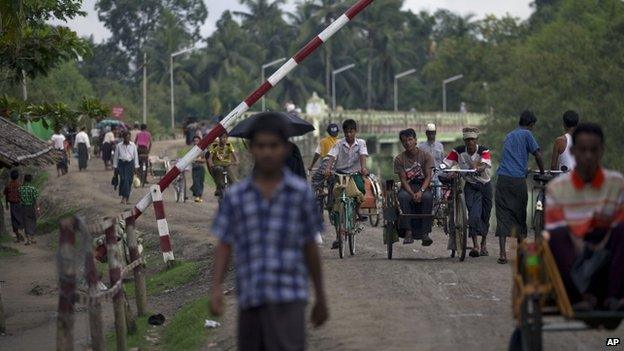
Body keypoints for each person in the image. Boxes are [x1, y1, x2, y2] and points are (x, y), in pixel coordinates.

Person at [209, 114, 328, 350]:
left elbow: (310, 248)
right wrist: (216, 287)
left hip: (290, 298)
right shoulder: (237, 197)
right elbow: (225, 244)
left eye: (273, 146)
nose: (267, 152)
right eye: (261, 146)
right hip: (251, 299)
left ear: (285, 148)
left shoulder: (300, 195)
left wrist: (321, 296)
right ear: (251, 149)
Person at [545, 123, 624, 311]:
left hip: (605, 251)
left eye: (593, 150)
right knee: (555, 235)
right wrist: (581, 243)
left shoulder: (616, 183)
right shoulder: (557, 188)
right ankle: (580, 297)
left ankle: (614, 296)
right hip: (572, 252)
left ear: (601, 151)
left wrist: (600, 243)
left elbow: (618, 223)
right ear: (573, 151)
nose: (588, 156)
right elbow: (556, 229)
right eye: (583, 150)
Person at [495, 110, 545, 264]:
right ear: (530, 124)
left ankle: (502, 254)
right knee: (519, 215)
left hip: (503, 179)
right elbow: (538, 155)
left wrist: (524, 169)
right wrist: (543, 173)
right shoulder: (527, 134)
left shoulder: (509, 135)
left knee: (502, 216)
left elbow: (511, 158)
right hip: (517, 181)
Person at [443, 127, 493, 257]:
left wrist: (480, 168)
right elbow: (446, 163)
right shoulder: (458, 151)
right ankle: (475, 245)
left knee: (485, 215)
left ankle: (483, 243)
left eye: (472, 139)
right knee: (473, 214)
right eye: (467, 140)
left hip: (485, 184)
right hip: (470, 185)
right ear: (464, 141)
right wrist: (443, 169)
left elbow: (485, 163)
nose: (470, 142)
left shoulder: (483, 150)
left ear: (476, 140)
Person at [325, 119, 369, 249]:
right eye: (347, 132)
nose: (349, 134)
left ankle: (357, 210)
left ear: (355, 131)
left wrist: (363, 168)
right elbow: (332, 157)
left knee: (360, 189)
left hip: (355, 174)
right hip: (340, 174)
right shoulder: (338, 144)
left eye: (351, 131)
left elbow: (362, 156)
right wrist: (328, 169)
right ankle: (339, 235)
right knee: (335, 201)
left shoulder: (361, 143)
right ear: (343, 132)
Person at [394, 128, 434, 245]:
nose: (408, 143)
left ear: (416, 140)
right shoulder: (399, 159)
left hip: (423, 185)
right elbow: (403, 180)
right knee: (403, 197)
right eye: (405, 141)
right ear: (402, 143)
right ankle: (408, 231)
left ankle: (425, 233)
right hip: (408, 186)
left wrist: (421, 191)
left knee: (427, 198)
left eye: (410, 140)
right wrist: (412, 194)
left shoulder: (426, 156)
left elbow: (428, 177)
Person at [418, 123, 445, 198]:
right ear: (426, 133)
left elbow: (442, 161)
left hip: (438, 176)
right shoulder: (421, 147)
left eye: (433, 133)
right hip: (425, 177)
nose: (431, 135)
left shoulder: (440, 146)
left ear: (435, 133)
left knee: (439, 196)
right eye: (429, 133)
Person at [113, 131, 139, 205]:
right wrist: (115, 167)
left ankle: (126, 198)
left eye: (128, 137)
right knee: (123, 180)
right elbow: (116, 157)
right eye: (126, 137)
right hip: (122, 164)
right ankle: (124, 197)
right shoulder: (119, 146)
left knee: (129, 181)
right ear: (123, 138)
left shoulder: (133, 145)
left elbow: (135, 156)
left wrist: (136, 166)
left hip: (130, 164)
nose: (127, 139)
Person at [4, 169, 24, 243]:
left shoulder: (8, 185)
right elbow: (22, 195)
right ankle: (21, 232)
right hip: (19, 203)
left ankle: (18, 237)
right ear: (18, 177)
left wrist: (6, 204)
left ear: (10, 176)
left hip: (12, 204)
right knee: (20, 218)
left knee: (14, 220)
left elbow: (6, 195)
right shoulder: (20, 185)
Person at [18, 174, 39, 245]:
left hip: (23, 207)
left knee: (26, 222)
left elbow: (19, 198)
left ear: (24, 179)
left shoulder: (20, 188)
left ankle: (28, 240)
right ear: (31, 180)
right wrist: (38, 208)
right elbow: (35, 199)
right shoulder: (33, 188)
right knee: (33, 221)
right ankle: (33, 238)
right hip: (31, 207)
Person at [189, 136, 207, 203]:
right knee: (196, 182)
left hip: (201, 168)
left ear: (200, 141)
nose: (196, 142)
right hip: (194, 168)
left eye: (197, 140)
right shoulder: (192, 150)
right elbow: (189, 159)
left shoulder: (203, 150)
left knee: (201, 182)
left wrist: (198, 159)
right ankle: (197, 196)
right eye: (194, 141)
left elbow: (206, 159)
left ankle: (200, 196)